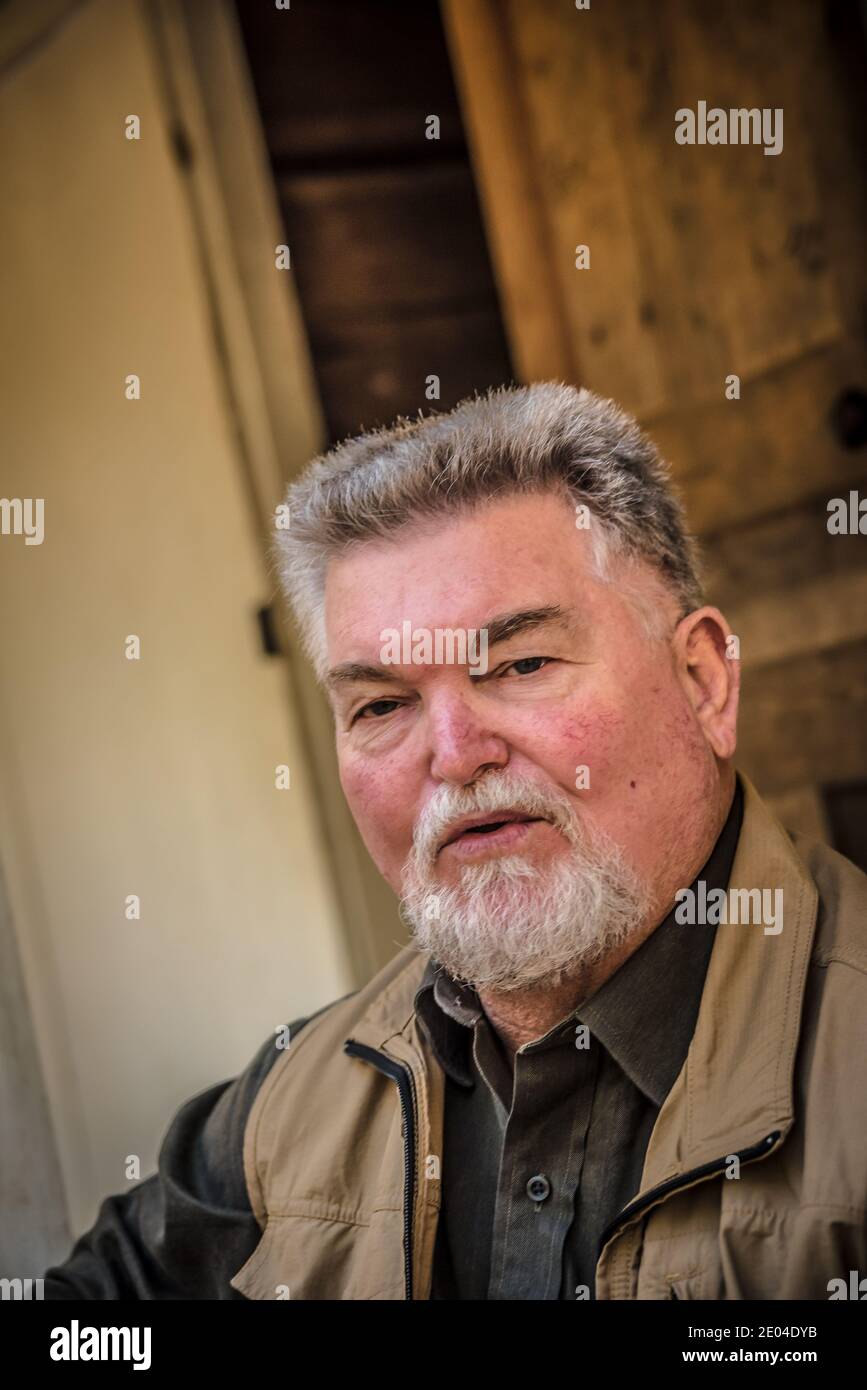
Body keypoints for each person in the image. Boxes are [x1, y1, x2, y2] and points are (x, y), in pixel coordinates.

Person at [45, 383, 867, 1299]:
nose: (453, 754)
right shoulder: (288, 1106)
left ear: (703, 682)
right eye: (382, 705)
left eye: (520, 665)